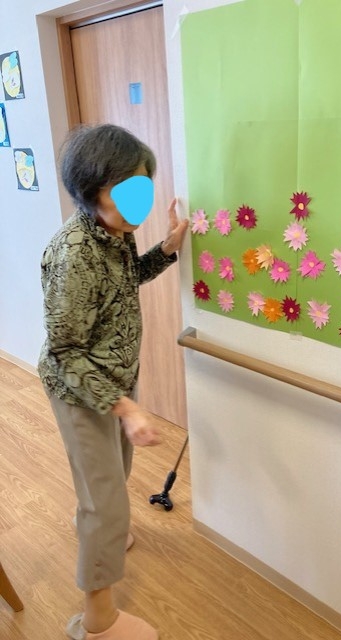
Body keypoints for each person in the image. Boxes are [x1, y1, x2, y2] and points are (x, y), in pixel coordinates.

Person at [38, 124, 189, 640]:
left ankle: (100, 529)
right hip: (78, 388)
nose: (136, 204)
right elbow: (65, 352)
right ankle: (97, 621)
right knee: (104, 502)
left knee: (114, 476)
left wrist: (166, 249)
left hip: (114, 379)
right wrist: (126, 408)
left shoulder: (116, 231)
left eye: (141, 187)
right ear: (89, 190)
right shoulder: (75, 253)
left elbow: (124, 282)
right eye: (122, 190)